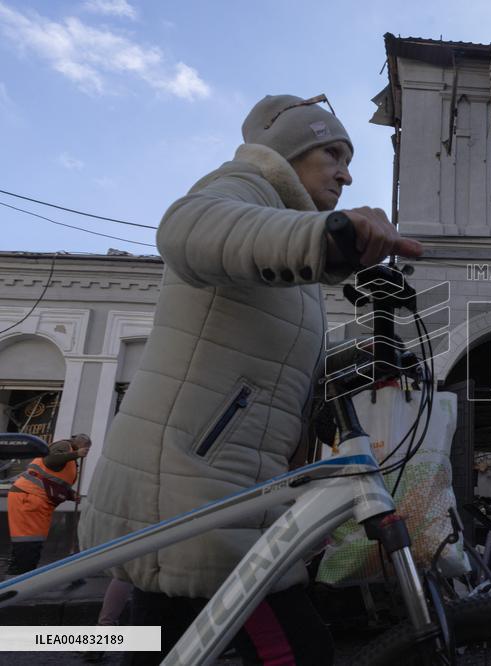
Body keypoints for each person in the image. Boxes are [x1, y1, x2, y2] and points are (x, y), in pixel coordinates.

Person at [78, 93, 422, 664]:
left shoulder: (286, 239)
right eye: (332, 152)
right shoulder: (243, 186)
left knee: (166, 645)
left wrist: (365, 357)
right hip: (197, 492)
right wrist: (329, 235)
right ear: (289, 153)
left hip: (221, 492)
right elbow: (187, 228)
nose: (347, 171)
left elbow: (276, 363)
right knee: (298, 651)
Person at [6, 434, 90, 575]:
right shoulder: (64, 446)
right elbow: (50, 460)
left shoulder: (69, 456)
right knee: (28, 545)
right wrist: (76, 454)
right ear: (81, 444)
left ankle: (18, 582)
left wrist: (70, 494)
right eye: (86, 448)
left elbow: (53, 481)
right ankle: (16, 584)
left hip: (36, 500)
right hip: (30, 497)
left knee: (31, 545)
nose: (86, 452)